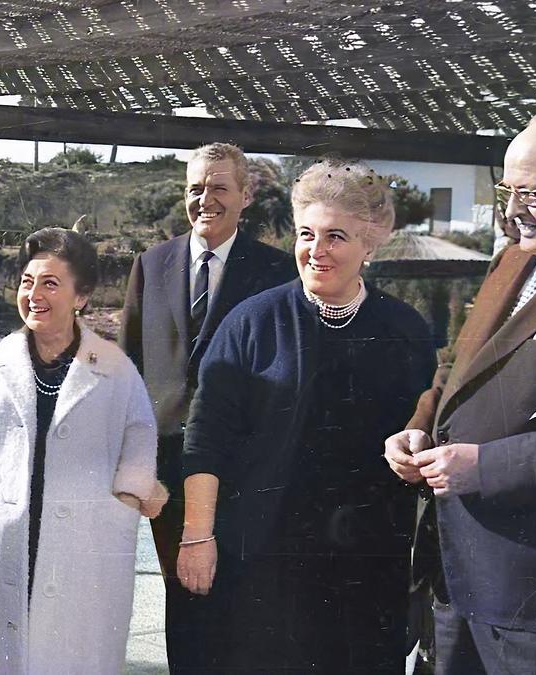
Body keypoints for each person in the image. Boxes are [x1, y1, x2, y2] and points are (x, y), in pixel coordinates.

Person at [385, 100, 536, 674]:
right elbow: (456, 368)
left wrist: (484, 467)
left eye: (531, 193)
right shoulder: (513, 260)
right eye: (507, 192)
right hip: (453, 577)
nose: (513, 212)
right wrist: (417, 428)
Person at [176, 158, 435, 672]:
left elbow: (422, 421)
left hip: (365, 562)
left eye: (336, 236)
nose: (317, 251)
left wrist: (416, 439)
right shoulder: (249, 323)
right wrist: (197, 537)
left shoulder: (405, 330)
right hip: (261, 559)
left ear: (370, 243)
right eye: (306, 234)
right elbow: (207, 438)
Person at [0, 227, 167, 674]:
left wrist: (126, 496)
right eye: (27, 282)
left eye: (50, 283)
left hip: (83, 548)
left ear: (80, 296)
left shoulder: (116, 369)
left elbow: (139, 433)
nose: (34, 294)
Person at [118, 142, 294, 671]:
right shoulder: (151, 265)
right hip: (169, 465)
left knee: (241, 595)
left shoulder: (278, 271)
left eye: (219, 187)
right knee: (183, 594)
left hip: (243, 466)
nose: (205, 199)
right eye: (196, 187)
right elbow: (128, 367)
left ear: (245, 195)